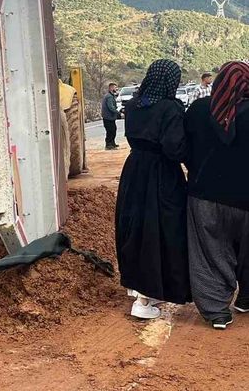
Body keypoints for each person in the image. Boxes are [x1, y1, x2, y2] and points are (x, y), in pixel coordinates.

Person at [115, 59, 191, 319]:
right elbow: (174, 148)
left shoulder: (133, 105)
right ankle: (145, 297)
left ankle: (139, 287)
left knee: (135, 227)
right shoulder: (170, 108)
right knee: (162, 229)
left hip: (134, 170)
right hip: (161, 174)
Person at [185, 61, 249, 330]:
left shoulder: (199, 109)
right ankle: (246, 298)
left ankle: (216, 311)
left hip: (205, 196)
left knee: (209, 252)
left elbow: (183, 148)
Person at [101, 83, 119, 150]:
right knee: (110, 131)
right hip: (108, 117)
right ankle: (108, 145)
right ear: (111, 88)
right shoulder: (109, 97)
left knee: (113, 130)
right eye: (115, 87)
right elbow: (111, 107)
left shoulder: (110, 96)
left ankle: (112, 143)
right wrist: (118, 113)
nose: (116, 89)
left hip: (110, 117)